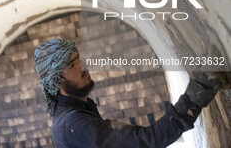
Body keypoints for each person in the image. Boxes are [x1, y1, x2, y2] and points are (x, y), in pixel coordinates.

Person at [34, 39, 229, 148]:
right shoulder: (73, 123)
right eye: (72, 65)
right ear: (57, 81)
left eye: (79, 59)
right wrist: (200, 89)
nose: (84, 67)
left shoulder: (74, 114)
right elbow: (148, 140)